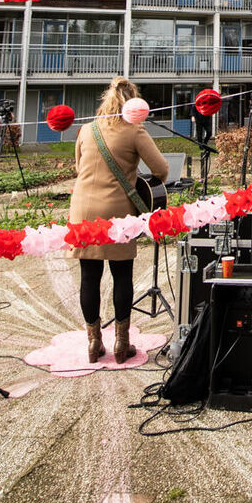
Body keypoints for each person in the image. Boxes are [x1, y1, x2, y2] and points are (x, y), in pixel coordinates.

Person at [68, 77, 169, 363]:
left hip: (82, 211)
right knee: (121, 274)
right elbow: (161, 169)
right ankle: (121, 343)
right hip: (117, 213)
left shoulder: (87, 129)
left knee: (89, 275)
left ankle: (93, 342)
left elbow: (79, 167)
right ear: (134, 104)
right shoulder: (134, 130)